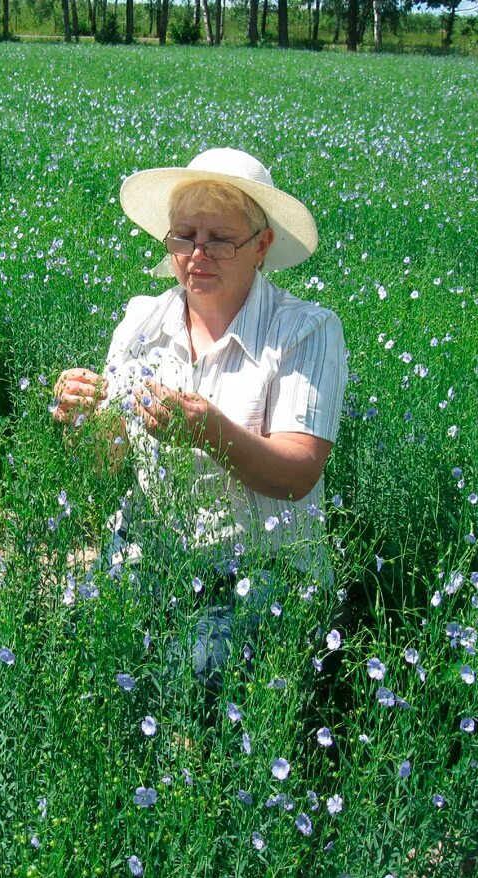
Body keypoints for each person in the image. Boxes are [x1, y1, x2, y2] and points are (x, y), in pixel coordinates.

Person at [53, 147, 347, 695]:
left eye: (220, 238)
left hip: (266, 565)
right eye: (185, 235)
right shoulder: (142, 322)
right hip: (152, 549)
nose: (198, 254)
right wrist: (88, 419)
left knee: (201, 671)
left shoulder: (305, 332)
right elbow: (105, 464)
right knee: (79, 638)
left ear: (261, 246)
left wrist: (211, 432)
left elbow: (298, 472)